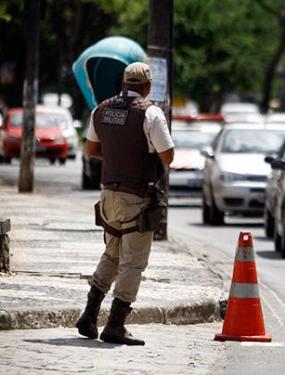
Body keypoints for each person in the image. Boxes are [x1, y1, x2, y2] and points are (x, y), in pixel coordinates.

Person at [76, 62, 174, 346]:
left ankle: (89, 314)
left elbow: (91, 150)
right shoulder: (151, 112)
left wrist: (117, 159)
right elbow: (167, 156)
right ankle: (115, 325)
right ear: (146, 86)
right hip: (136, 198)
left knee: (112, 254)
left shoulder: (101, 109)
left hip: (108, 196)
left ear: (123, 83)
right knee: (133, 263)